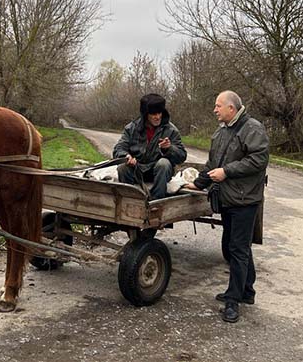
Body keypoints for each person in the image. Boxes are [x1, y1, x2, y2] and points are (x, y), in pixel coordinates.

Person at [185, 90, 269, 323]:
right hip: (228, 199)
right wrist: (197, 183)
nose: (215, 109)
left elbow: (259, 160)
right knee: (238, 246)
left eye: (218, 106)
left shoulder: (252, 128)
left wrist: (227, 172)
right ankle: (247, 291)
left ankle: (233, 301)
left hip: (245, 200)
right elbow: (213, 163)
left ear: (231, 108)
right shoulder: (221, 131)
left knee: (237, 249)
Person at [112, 93, 187, 200]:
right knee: (123, 167)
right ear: (146, 114)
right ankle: (129, 200)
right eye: (153, 114)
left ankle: (156, 201)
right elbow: (119, 148)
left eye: (159, 113)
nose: (157, 117)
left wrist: (169, 149)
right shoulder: (131, 128)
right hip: (137, 169)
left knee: (164, 164)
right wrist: (126, 156)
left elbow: (182, 156)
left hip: (159, 172)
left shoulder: (171, 130)